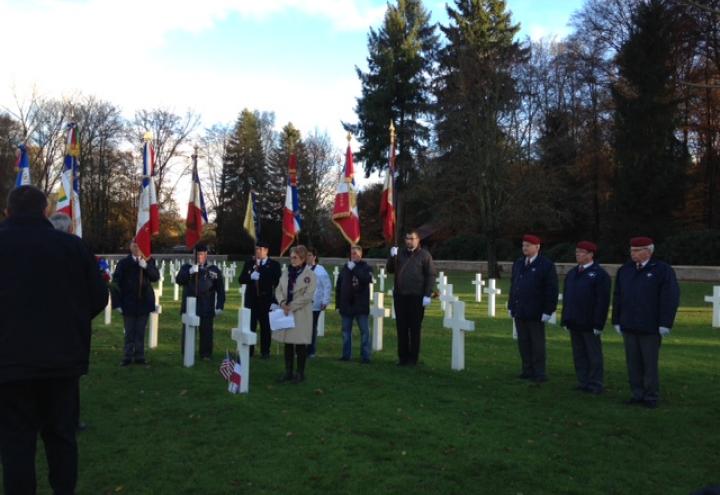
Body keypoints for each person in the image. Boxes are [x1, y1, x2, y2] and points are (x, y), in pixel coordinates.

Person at [0, 185, 108, 494]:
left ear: (8, 212)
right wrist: (69, 323)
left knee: (15, 443)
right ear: (45, 211)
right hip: (61, 361)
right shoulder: (72, 247)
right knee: (61, 437)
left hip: (9, 362)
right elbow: (99, 296)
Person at [612, 236, 679, 409]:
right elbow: (618, 296)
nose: (632, 253)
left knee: (649, 363)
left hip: (650, 325)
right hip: (629, 323)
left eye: (636, 250)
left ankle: (650, 395)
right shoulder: (625, 270)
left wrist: (665, 322)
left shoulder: (662, 270)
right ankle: (637, 393)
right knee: (633, 362)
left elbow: (669, 298)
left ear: (648, 251)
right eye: (631, 250)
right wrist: (616, 319)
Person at [560, 241, 611, 394]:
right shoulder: (573, 273)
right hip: (574, 320)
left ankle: (595, 383)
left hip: (589, 321)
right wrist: (565, 318)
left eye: (582, 252)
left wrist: (598, 323)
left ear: (591, 254)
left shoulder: (599, 274)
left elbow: (602, 301)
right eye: (577, 252)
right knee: (579, 353)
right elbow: (568, 298)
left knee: (593, 354)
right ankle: (583, 381)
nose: (578, 255)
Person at [508, 234, 559, 383]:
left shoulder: (545, 265)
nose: (525, 248)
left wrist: (548, 310)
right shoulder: (518, 263)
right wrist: (511, 305)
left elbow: (551, 289)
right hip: (520, 309)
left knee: (537, 343)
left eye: (528, 245)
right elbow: (514, 286)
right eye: (523, 245)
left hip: (536, 311)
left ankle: (539, 372)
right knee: (523, 341)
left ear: (537, 247)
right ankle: (527, 369)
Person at [387, 229, 436, 366]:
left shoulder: (425, 255)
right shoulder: (400, 254)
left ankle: (413, 358)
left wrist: (427, 294)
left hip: (416, 297)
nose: (409, 241)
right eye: (407, 238)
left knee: (414, 329)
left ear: (418, 240)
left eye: (412, 238)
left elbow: (431, 275)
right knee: (401, 328)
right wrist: (392, 257)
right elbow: (390, 270)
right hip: (400, 296)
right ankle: (402, 358)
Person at [111, 241, 161, 366]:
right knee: (129, 332)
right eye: (134, 245)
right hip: (128, 303)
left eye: (139, 244)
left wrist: (146, 267)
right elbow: (115, 284)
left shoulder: (149, 261)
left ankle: (140, 356)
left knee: (140, 331)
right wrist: (116, 304)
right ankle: (127, 357)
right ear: (130, 247)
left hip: (144, 302)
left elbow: (155, 277)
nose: (137, 247)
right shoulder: (123, 263)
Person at [274, 245, 316, 383]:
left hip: (300, 313)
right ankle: (288, 371)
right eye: (291, 257)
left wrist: (291, 306)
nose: (292, 260)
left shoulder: (310, 275)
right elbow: (278, 289)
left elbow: (307, 296)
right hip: (286, 311)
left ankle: (300, 373)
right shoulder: (286, 273)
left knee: (299, 344)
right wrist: (282, 303)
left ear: (303, 259)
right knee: (288, 343)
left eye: (295, 258)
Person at [176, 243, 225, 360]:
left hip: (206, 305)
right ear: (194, 255)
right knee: (188, 331)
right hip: (190, 306)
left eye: (202, 254)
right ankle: (187, 351)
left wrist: (220, 306)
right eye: (198, 254)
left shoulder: (213, 270)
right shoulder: (187, 268)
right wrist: (190, 272)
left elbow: (221, 290)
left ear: (206, 254)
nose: (200, 257)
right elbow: (179, 280)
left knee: (206, 332)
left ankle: (206, 354)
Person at [239, 240, 282, 358]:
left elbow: (278, 284)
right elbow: (241, 279)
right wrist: (250, 277)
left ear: (266, 251)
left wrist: (275, 301)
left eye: (261, 249)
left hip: (266, 300)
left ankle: (265, 351)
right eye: (257, 249)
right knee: (251, 326)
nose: (259, 251)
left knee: (266, 327)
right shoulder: (249, 263)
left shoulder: (274, 265)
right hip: (251, 300)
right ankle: (250, 350)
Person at [336, 245, 374, 363]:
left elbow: (366, 279)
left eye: (356, 254)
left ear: (361, 255)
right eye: (352, 254)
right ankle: (346, 355)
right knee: (346, 332)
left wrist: (354, 269)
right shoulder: (345, 268)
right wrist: (338, 305)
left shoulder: (366, 267)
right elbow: (339, 287)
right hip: (346, 305)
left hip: (360, 305)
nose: (353, 256)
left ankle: (365, 356)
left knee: (364, 332)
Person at [306, 247, 332, 357]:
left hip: (315, 304)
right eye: (306, 255)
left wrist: (325, 301)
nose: (307, 257)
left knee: (311, 327)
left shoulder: (320, 270)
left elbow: (327, 286)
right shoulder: (302, 268)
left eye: (310, 255)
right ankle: (301, 349)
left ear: (314, 257)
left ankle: (311, 351)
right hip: (302, 304)